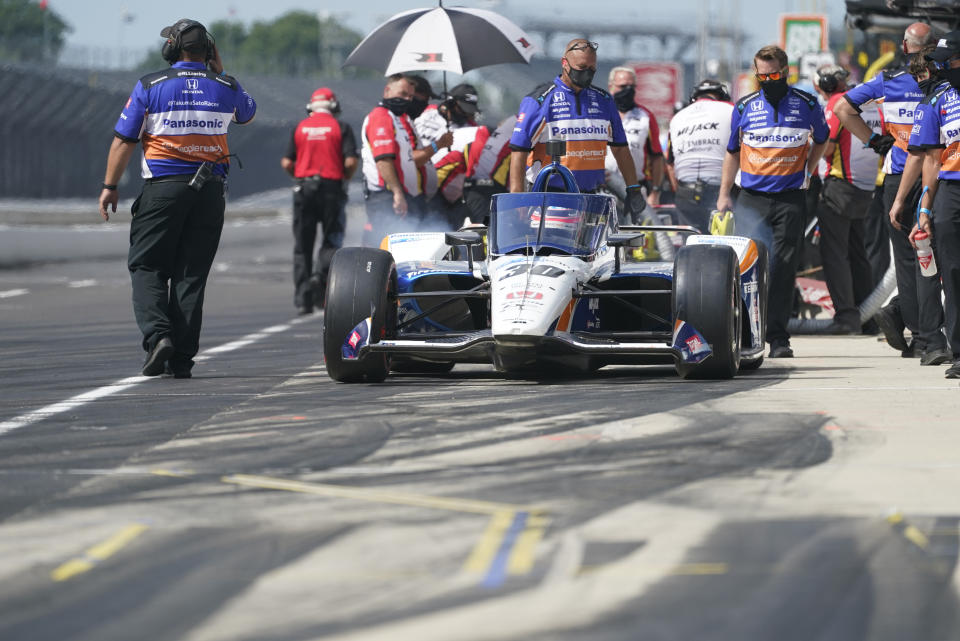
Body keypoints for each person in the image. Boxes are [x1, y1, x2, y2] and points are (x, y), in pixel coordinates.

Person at [98, 19, 256, 378]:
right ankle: (182, 359)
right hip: (211, 191)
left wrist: (110, 185)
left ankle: (158, 338)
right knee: (191, 274)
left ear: (171, 48)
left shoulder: (150, 85)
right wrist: (220, 72)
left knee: (148, 265)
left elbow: (125, 139)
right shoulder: (227, 86)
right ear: (209, 50)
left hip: (163, 189)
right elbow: (247, 113)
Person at [836, 22, 945, 361]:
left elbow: (842, 108)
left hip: (899, 178)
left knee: (910, 259)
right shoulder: (944, 84)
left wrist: (875, 141)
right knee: (938, 258)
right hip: (941, 177)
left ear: (904, 45)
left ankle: (922, 336)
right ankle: (930, 332)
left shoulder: (889, 80)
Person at [717, 45, 829, 358]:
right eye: (762, 75)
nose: (768, 80)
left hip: (791, 197)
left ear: (786, 71)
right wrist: (724, 194)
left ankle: (778, 337)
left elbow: (822, 140)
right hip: (751, 199)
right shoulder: (744, 106)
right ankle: (743, 334)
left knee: (782, 268)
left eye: (774, 74)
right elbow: (732, 153)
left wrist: (809, 170)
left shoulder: (807, 104)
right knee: (749, 267)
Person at [507, 39, 647, 221]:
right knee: (553, 250)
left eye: (592, 68)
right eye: (581, 67)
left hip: (593, 199)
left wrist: (633, 188)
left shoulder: (604, 100)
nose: (587, 73)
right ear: (565, 63)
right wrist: (517, 198)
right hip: (549, 198)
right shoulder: (540, 100)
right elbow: (519, 151)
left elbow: (620, 148)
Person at [907, 32, 960, 377]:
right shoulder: (939, 99)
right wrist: (925, 208)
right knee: (953, 273)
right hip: (951, 191)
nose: (941, 68)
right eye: (938, 63)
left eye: (947, 62)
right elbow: (931, 158)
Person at [813, 64, 880, 335]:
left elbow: (826, 145)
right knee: (858, 254)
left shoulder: (835, 104)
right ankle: (868, 316)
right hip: (865, 188)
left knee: (834, 255)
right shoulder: (868, 102)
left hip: (840, 186)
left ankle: (847, 317)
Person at [281, 87, 358, 315]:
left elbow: (287, 162)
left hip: (303, 189)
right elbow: (351, 162)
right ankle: (321, 278)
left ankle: (303, 299)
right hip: (331, 189)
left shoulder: (300, 128)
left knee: (302, 245)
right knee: (332, 240)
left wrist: (301, 174)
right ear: (334, 107)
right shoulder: (341, 127)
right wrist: (344, 178)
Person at [360, 74, 451, 246]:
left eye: (409, 96)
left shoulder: (397, 118)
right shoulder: (381, 117)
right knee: (392, 250)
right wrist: (397, 193)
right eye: (402, 94)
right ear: (387, 91)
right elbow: (383, 160)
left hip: (405, 196)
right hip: (387, 197)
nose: (406, 100)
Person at [666, 79, 734, 232]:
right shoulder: (731, 109)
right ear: (721, 95)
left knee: (690, 244)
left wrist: (681, 192)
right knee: (726, 246)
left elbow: (670, 164)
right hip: (721, 190)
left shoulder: (677, 118)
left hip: (686, 190)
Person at [605, 66, 665, 217]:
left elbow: (657, 157)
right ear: (611, 86)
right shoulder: (599, 113)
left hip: (636, 188)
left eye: (632, 86)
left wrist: (655, 192)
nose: (628, 90)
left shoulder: (646, 116)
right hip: (603, 187)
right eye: (623, 86)